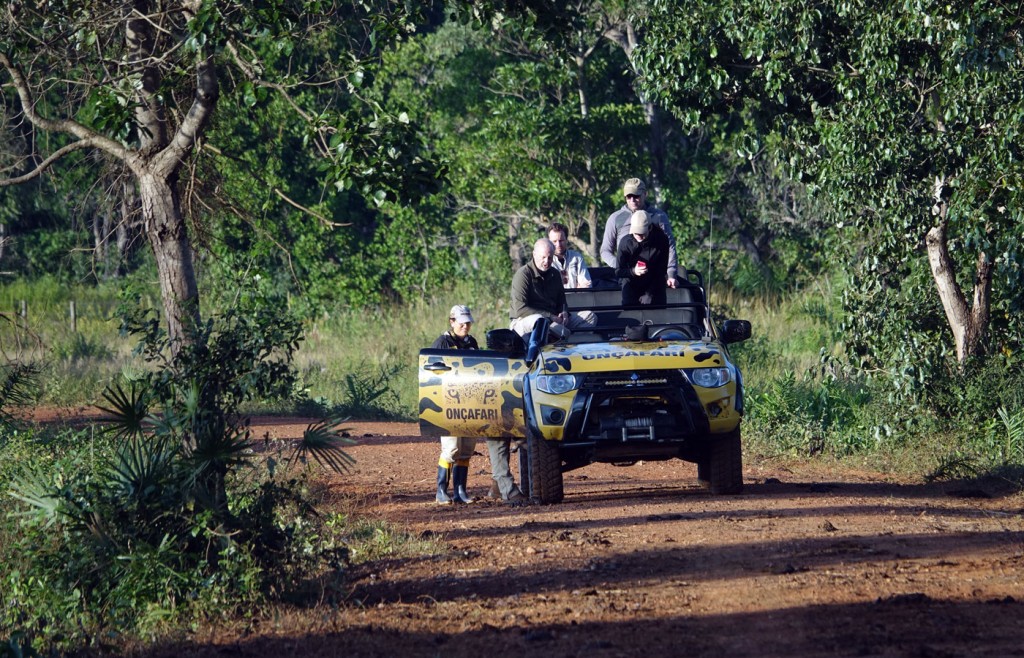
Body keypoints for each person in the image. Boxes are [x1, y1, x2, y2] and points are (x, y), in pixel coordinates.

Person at [431, 305, 479, 504]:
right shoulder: (442, 342)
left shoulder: (472, 343)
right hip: (449, 402)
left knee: (466, 448)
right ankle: (441, 490)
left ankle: (460, 490)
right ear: (452, 322)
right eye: (461, 322)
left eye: (467, 322)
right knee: (451, 448)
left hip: (469, 401)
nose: (465, 326)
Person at [600, 177, 680, 289]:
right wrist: (622, 267)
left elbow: (670, 246)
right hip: (626, 277)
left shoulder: (659, 217)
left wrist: (671, 274)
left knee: (695, 293)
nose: (632, 200)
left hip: (655, 275)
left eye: (636, 196)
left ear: (645, 194)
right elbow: (605, 251)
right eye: (629, 196)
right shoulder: (615, 218)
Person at [509, 238, 596, 339]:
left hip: (553, 321)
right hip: (525, 321)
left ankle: (570, 347)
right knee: (540, 320)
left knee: (590, 316)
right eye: (543, 257)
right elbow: (520, 309)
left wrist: (564, 313)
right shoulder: (523, 274)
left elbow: (562, 302)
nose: (547, 261)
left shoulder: (555, 274)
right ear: (534, 254)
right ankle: (559, 339)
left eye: (550, 257)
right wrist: (550, 316)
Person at [616, 210, 671, 306]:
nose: (638, 235)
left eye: (642, 233)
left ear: (650, 228)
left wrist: (649, 294)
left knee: (657, 314)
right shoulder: (625, 242)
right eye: (635, 232)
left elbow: (661, 271)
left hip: (655, 284)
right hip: (631, 285)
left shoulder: (661, 240)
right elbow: (618, 271)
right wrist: (633, 271)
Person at [547, 222, 592, 289]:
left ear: (566, 240)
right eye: (554, 241)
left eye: (561, 240)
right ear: (549, 241)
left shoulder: (577, 257)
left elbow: (586, 285)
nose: (558, 245)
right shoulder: (545, 260)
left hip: (577, 299)